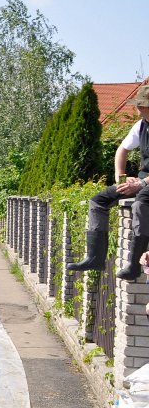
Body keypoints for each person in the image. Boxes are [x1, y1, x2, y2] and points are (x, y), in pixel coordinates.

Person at [68, 84, 149, 279]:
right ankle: (95, 258)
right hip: (142, 180)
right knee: (98, 201)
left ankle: (133, 264)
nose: (137, 108)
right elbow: (122, 150)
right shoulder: (141, 125)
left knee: (140, 206)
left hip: (146, 184)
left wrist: (141, 184)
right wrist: (120, 177)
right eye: (137, 104)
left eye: (142, 104)